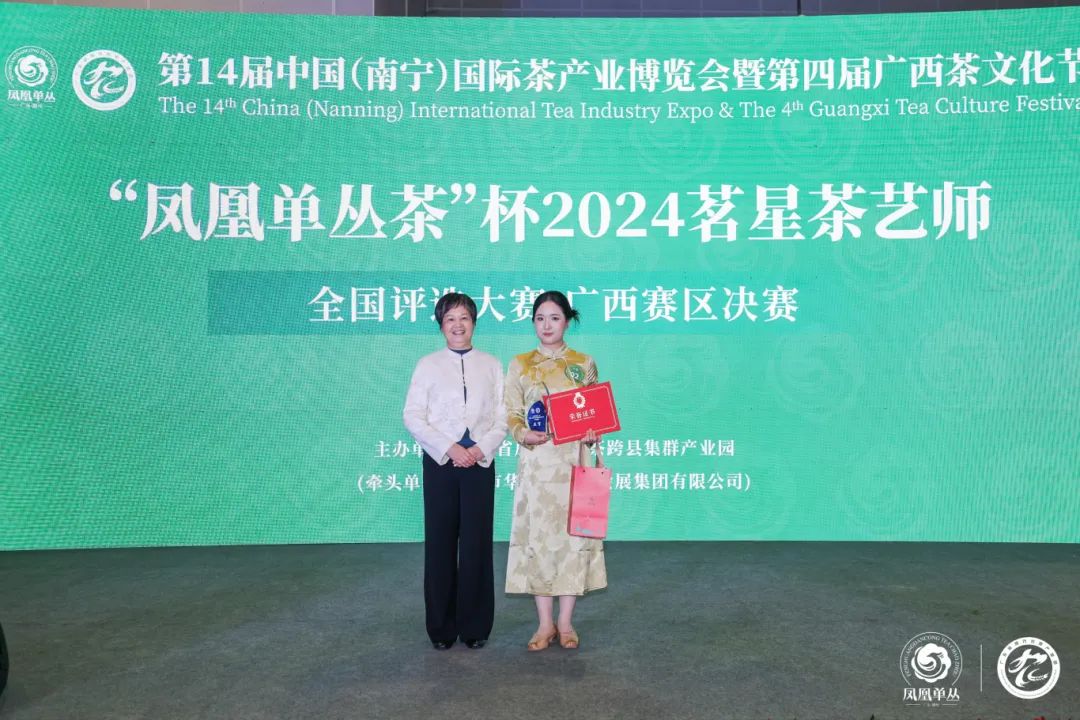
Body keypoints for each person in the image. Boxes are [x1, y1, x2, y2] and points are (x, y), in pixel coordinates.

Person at [403, 293, 507, 650]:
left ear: (474, 322)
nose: (457, 325)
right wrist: (450, 448)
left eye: (464, 317)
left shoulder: (491, 364)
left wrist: (479, 449)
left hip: (479, 463)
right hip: (441, 464)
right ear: (441, 325)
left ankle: (475, 626)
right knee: (440, 543)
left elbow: (503, 416)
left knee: (477, 544)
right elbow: (412, 416)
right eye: (450, 319)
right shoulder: (427, 365)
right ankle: (442, 628)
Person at [504, 290, 606, 651]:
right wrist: (522, 433)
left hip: (573, 463)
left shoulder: (583, 362)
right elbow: (512, 413)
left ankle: (565, 623)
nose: (546, 325)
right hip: (537, 464)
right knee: (539, 540)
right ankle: (544, 623)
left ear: (567, 321)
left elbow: (595, 412)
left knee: (572, 540)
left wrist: (593, 432)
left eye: (554, 318)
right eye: (540, 318)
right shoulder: (520, 364)